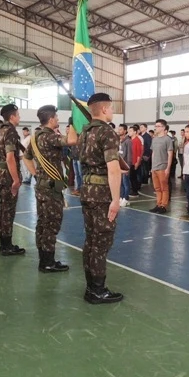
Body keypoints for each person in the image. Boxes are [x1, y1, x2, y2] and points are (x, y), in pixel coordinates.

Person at [75, 93, 125, 304]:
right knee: (101, 242)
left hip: (87, 191)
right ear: (104, 109)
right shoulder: (107, 132)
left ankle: (91, 286)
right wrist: (116, 200)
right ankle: (97, 290)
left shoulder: (85, 132)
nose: (112, 111)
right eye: (111, 108)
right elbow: (113, 169)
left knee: (91, 240)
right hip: (102, 194)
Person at [22, 105, 76, 273]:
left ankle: (44, 259)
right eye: (57, 117)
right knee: (51, 224)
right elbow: (72, 141)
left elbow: (26, 157)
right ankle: (48, 262)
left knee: (43, 223)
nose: (58, 119)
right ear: (51, 119)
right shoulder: (49, 137)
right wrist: (74, 124)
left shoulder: (35, 137)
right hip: (51, 188)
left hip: (43, 185)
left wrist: (36, 174)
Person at [0, 104, 27, 256]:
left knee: (2, 211)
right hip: (7, 177)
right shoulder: (11, 131)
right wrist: (16, 180)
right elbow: (10, 158)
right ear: (12, 117)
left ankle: (4, 243)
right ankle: (6, 246)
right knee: (8, 212)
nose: (19, 117)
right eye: (18, 115)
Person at [149, 120, 175, 213]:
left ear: (163, 128)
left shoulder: (167, 139)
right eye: (155, 126)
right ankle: (158, 204)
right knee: (157, 188)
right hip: (154, 167)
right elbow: (153, 153)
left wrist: (168, 168)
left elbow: (170, 154)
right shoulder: (154, 139)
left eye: (158, 126)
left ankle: (163, 206)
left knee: (164, 188)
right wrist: (152, 166)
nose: (156, 128)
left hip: (163, 167)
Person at [128, 124, 145, 197]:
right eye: (129, 131)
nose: (129, 132)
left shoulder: (137, 140)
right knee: (131, 177)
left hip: (134, 162)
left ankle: (135, 191)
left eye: (130, 131)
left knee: (134, 177)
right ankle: (133, 190)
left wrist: (137, 162)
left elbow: (139, 153)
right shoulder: (130, 140)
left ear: (135, 132)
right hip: (131, 161)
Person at [117, 124, 132, 206]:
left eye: (121, 129)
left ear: (125, 131)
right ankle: (121, 197)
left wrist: (128, 167)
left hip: (125, 165)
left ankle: (126, 198)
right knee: (120, 183)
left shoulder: (128, 141)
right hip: (119, 165)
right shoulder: (118, 140)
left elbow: (129, 155)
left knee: (126, 182)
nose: (119, 131)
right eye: (118, 129)